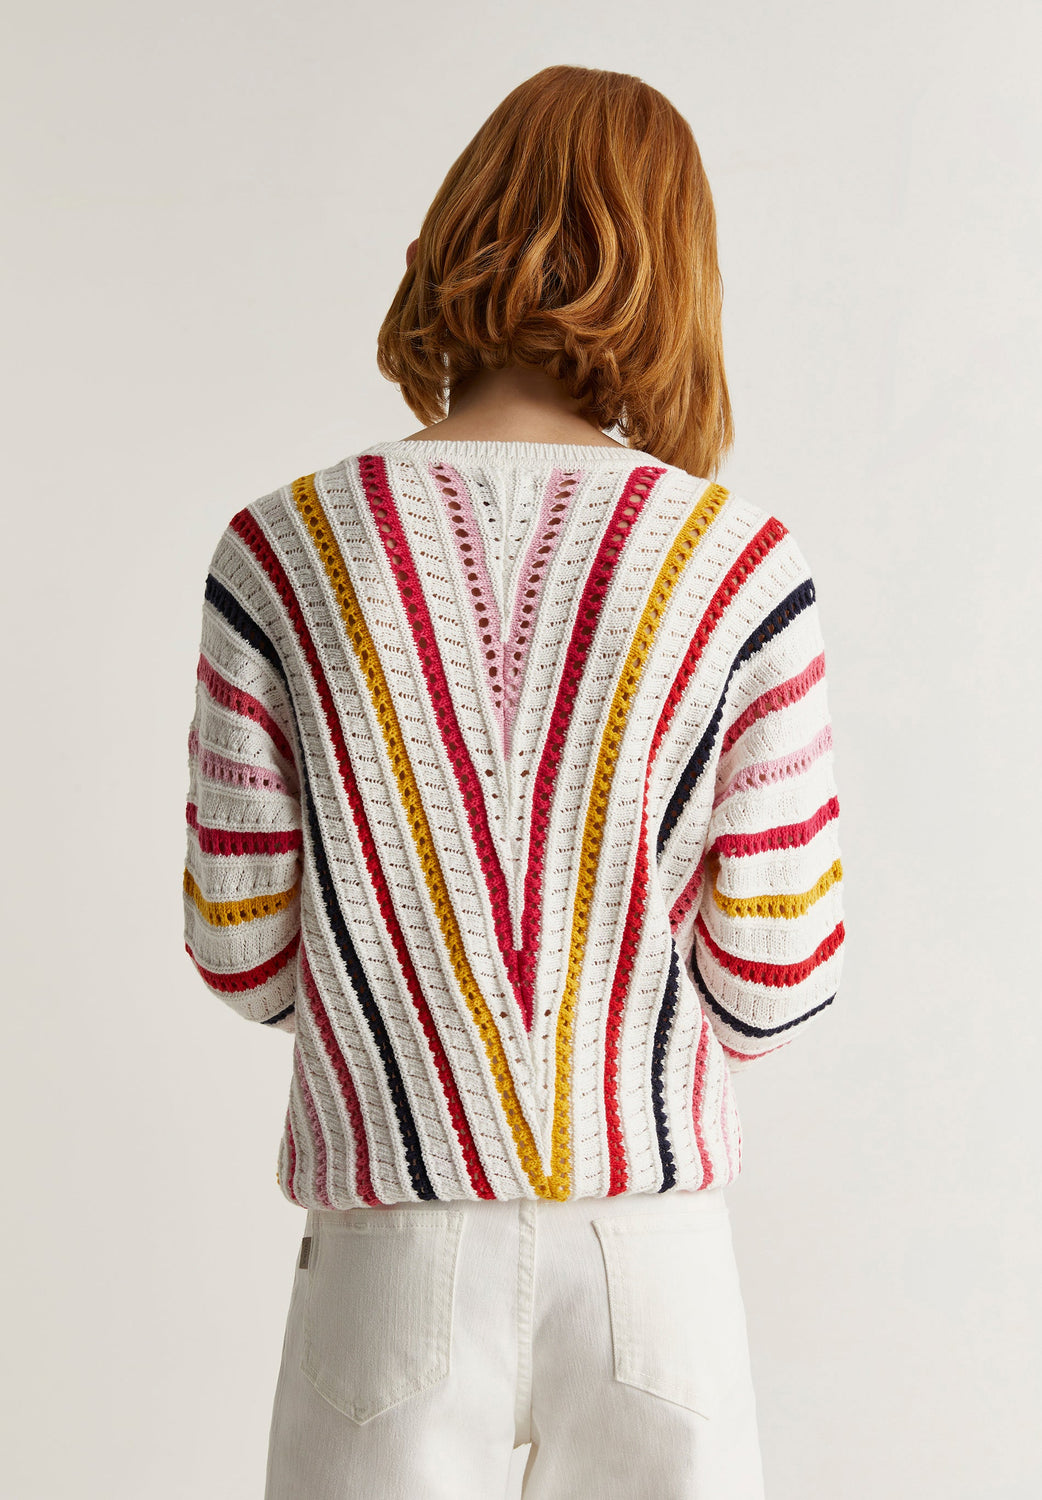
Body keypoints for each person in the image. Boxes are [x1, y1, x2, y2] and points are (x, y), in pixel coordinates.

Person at [182, 63, 846, 1500]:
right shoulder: (740, 570)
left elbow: (241, 953)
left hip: (388, 1247)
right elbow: (772, 983)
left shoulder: (280, 552)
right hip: (650, 1262)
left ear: (460, 227)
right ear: (676, 272)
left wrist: (400, 992)